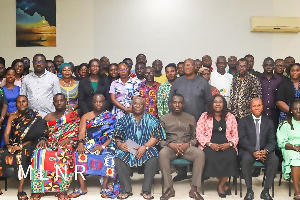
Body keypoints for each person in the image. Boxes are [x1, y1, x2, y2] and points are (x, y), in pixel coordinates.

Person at [29, 93, 79, 200]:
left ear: (66, 102)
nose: (59, 103)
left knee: (62, 154)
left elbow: (78, 133)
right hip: (51, 143)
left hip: (67, 144)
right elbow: (42, 133)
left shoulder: (72, 115)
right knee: (39, 153)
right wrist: (42, 139)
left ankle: (62, 190)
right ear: (53, 103)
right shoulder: (48, 117)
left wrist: (69, 139)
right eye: (56, 101)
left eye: (61, 100)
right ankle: (38, 189)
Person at [114, 97, 165, 199]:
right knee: (118, 156)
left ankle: (146, 189)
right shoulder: (124, 119)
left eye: (140, 104)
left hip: (146, 146)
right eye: (135, 104)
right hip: (129, 147)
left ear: (144, 106)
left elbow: (156, 137)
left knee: (153, 156)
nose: (137, 106)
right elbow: (117, 137)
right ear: (132, 105)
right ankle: (126, 189)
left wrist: (144, 147)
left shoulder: (152, 119)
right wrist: (120, 144)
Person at [71, 94, 119, 198]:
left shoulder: (110, 116)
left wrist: (102, 146)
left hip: (105, 144)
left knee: (109, 155)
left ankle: (104, 186)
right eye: (96, 102)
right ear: (92, 103)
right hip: (90, 142)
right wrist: (80, 143)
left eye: (100, 102)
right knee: (76, 154)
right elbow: (82, 132)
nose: (98, 104)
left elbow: (112, 136)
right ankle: (83, 186)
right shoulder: (86, 116)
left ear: (104, 103)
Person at [0, 95, 47, 200]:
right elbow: (6, 135)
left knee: (21, 155)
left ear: (28, 103)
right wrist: (9, 146)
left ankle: (20, 189)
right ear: (16, 104)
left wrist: (20, 146)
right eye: (19, 102)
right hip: (12, 144)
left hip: (28, 144)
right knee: (1, 153)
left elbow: (34, 136)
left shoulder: (35, 117)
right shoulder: (12, 117)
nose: (21, 104)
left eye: (24, 101)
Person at [159, 94, 205, 200]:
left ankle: (194, 189)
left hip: (187, 147)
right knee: (162, 154)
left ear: (183, 104)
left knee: (200, 154)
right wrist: (170, 145)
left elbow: (196, 137)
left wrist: (188, 144)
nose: (177, 105)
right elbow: (160, 139)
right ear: (171, 104)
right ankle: (169, 188)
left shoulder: (190, 118)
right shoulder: (164, 119)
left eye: (180, 102)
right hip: (170, 148)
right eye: (175, 102)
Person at [197, 94, 239, 198]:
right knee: (211, 157)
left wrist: (229, 144)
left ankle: (220, 185)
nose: (218, 104)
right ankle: (224, 183)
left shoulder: (230, 116)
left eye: (220, 102)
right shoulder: (205, 116)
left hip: (227, 145)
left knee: (230, 156)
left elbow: (235, 135)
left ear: (224, 104)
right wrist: (210, 144)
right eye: (215, 102)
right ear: (211, 104)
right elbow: (199, 133)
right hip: (209, 145)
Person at [238, 98, 278, 200]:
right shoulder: (243, 121)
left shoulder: (268, 122)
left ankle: (265, 191)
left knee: (274, 160)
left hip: (264, 151)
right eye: (254, 106)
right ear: (250, 108)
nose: (257, 108)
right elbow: (242, 140)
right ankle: (249, 191)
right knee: (246, 160)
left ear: (262, 107)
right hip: (248, 151)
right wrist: (254, 151)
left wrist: (265, 151)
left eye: (259, 105)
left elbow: (272, 141)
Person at [20, 53, 61, 118]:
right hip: (30, 116)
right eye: (36, 62)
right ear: (33, 63)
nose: (39, 64)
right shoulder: (26, 79)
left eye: (41, 62)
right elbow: (22, 97)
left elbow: (57, 97)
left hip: (49, 115)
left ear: (45, 63)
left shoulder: (53, 78)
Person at [277, 100, 300, 200]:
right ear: (291, 111)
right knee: (295, 158)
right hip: (289, 149)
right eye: (295, 109)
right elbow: (281, 142)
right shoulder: (285, 124)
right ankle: (297, 190)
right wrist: (294, 147)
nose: (298, 111)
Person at [259, 57, 282, 128]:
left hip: (275, 113)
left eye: (271, 65)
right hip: (261, 112)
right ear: (263, 66)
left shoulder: (279, 79)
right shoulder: (257, 79)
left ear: (274, 66)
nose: (268, 67)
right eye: (266, 65)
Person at [1, 68, 21, 147]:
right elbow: (1, 104)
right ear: (5, 76)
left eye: (13, 75)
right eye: (8, 74)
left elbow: (22, 102)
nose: (10, 76)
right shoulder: (1, 90)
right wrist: (7, 114)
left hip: (18, 115)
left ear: (15, 77)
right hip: (5, 116)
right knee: (5, 134)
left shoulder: (19, 89)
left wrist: (16, 113)